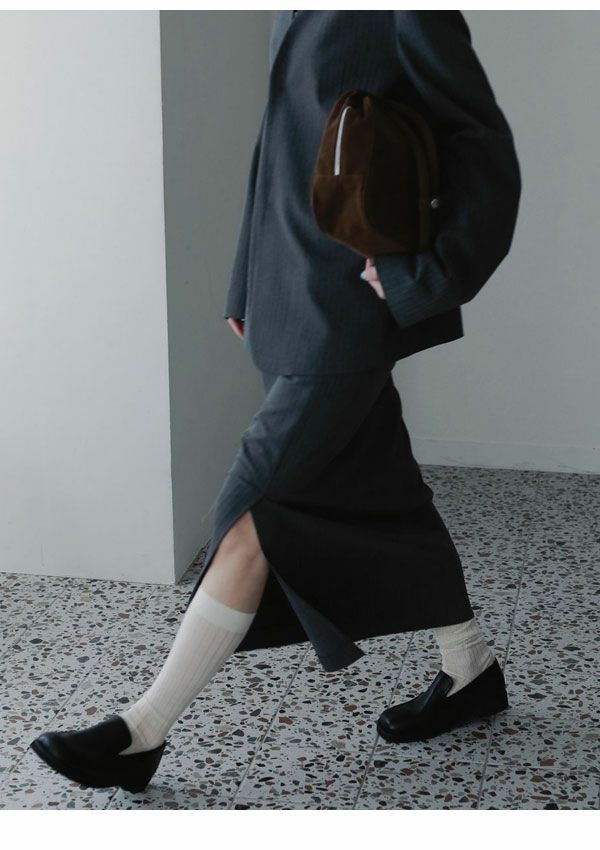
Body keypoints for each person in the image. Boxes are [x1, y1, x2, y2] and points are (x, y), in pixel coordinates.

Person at [30, 10, 521, 793]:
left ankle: (142, 733)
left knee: (251, 512)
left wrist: (423, 278)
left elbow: (483, 147)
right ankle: (471, 668)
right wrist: (247, 279)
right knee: (384, 483)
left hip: (349, 310)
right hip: (293, 296)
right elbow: (281, 144)